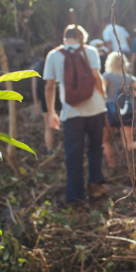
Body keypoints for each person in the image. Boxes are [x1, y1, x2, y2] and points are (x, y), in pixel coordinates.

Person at [43, 24, 108, 203]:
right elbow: (96, 78)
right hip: (95, 108)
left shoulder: (54, 55)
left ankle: (75, 196)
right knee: (95, 149)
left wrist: (51, 113)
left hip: (72, 113)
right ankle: (95, 186)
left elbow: (49, 86)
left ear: (65, 38)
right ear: (82, 38)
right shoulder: (90, 51)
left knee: (74, 155)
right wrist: (104, 99)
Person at [102, 52, 136, 168]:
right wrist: (134, 95)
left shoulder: (107, 76)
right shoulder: (130, 77)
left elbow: (101, 93)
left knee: (106, 141)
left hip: (110, 111)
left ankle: (112, 166)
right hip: (126, 111)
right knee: (128, 144)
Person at [30, 58, 60, 156]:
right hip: (60, 98)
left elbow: (34, 86)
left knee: (48, 126)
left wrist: (36, 103)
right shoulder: (58, 62)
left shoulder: (38, 66)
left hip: (45, 99)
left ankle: (50, 150)